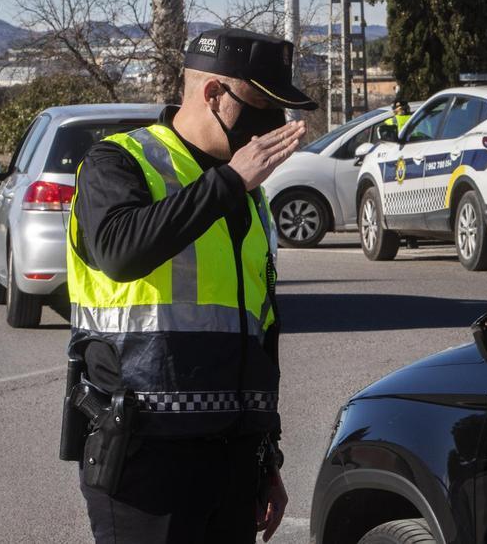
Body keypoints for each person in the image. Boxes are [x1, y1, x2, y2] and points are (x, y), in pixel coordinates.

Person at [63, 27, 316, 543]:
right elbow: (120, 250)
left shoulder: (248, 197)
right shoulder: (118, 161)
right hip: (146, 460)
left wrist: (267, 455)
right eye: (261, 104)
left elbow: (259, 331)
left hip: (233, 460)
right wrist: (228, 183)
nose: (272, 124)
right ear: (213, 94)